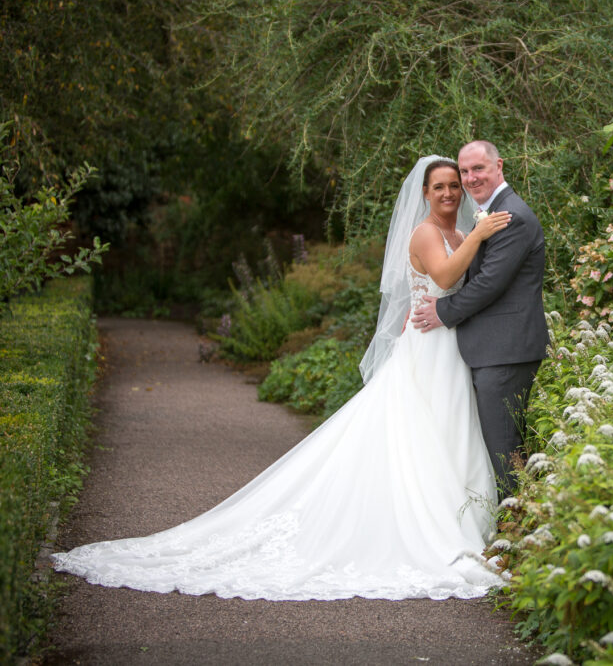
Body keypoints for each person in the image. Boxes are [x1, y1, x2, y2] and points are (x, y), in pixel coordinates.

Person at [51, 156, 512, 601]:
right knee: (420, 436)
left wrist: (472, 235)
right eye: (440, 187)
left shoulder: (456, 229)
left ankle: (462, 522)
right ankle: (430, 529)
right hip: (426, 351)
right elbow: (447, 274)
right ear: (425, 193)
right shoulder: (428, 232)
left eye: (455, 184)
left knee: (448, 434)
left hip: (450, 347)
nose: (450, 192)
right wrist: (479, 235)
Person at [411, 141, 548, 499]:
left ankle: (517, 528)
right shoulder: (485, 218)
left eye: (477, 170)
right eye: (464, 172)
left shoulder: (509, 216)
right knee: (491, 443)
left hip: (503, 351)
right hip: (483, 349)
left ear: (498, 165)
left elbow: (489, 283)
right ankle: (513, 522)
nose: (470, 179)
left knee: (504, 446)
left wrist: (442, 311)